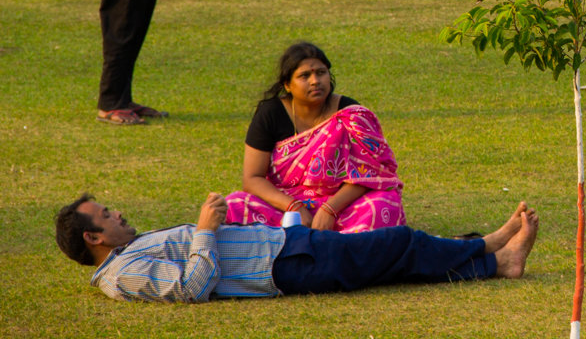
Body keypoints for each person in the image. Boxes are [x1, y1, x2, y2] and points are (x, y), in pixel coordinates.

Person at [55, 193, 537, 303]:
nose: (116, 213)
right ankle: (495, 256)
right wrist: (204, 228)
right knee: (398, 242)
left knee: (391, 259)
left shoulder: (131, 251)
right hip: (286, 265)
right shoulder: (122, 275)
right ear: (93, 239)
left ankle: (490, 255)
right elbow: (192, 288)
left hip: (285, 246)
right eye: (105, 215)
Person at [224, 42, 405, 233]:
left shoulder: (349, 113)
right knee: (234, 204)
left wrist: (330, 209)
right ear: (288, 84)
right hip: (284, 204)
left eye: (321, 72)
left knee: (384, 203)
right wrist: (294, 207)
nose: (315, 81)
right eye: (304, 75)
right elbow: (252, 178)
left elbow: (371, 173)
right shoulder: (271, 113)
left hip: (341, 204)